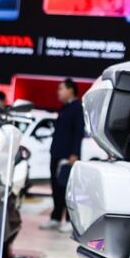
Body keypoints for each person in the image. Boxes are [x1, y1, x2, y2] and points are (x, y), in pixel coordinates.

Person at [41, 78, 83, 232]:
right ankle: (56, 218)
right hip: (57, 153)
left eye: (61, 88)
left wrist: (74, 153)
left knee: (68, 189)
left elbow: (78, 132)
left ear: (70, 90)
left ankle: (70, 221)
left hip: (68, 156)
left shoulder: (77, 107)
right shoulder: (64, 108)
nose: (58, 92)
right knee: (56, 188)